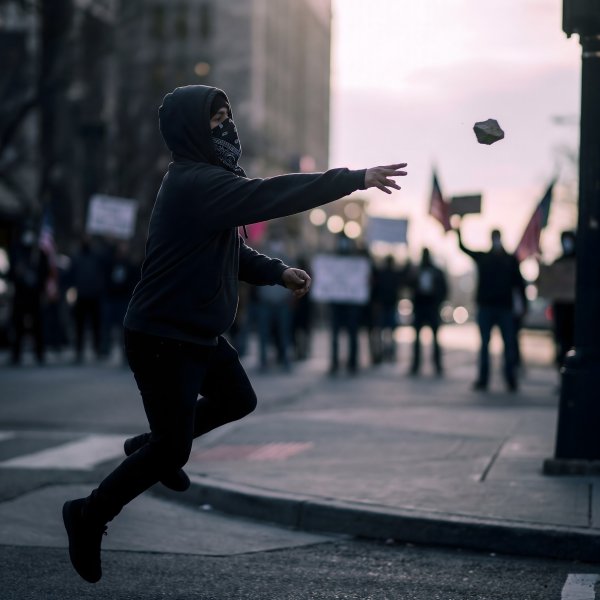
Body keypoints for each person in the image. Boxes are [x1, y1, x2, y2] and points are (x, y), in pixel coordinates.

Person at [62, 84, 408, 583]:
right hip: (163, 335)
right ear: (190, 132)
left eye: (228, 116)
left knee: (237, 399)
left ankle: (150, 445)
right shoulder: (194, 182)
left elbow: (230, 253)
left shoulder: (209, 184)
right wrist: (353, 179)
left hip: (195, 333)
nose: (227, 127)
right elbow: (270, 195)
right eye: (215, 120)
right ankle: (89, 514)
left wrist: (277, 271)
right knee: (174, 450)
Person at [456, 227, 524, 392]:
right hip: (486, 307)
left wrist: (522, 306)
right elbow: (464, 248)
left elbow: (519, 284)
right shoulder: (483, 257)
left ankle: (510, 379)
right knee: (485, 345)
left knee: (509, 345)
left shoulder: (510, 260)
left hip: (505, 309)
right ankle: (483, 379)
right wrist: (459, 233)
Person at [8, 227, 49, 365]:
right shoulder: (17, 252)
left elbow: (46, 272)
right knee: (18, 325)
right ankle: (16, 355)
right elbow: (11, 272)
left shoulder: (39, 253)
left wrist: (38, 282)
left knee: (38, 325)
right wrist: (19, 277)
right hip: (20, 294)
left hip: (35, 295)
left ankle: (40, 354)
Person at [409, 248, 448, 376]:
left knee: (435, 339)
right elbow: (408, 284)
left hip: (431, 307)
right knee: (417, 339)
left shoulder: (436, 271)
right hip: (420, 307)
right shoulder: (416, 270)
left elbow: (444, 289)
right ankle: (415, 365)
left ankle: (437, 365)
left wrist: (437, 302)